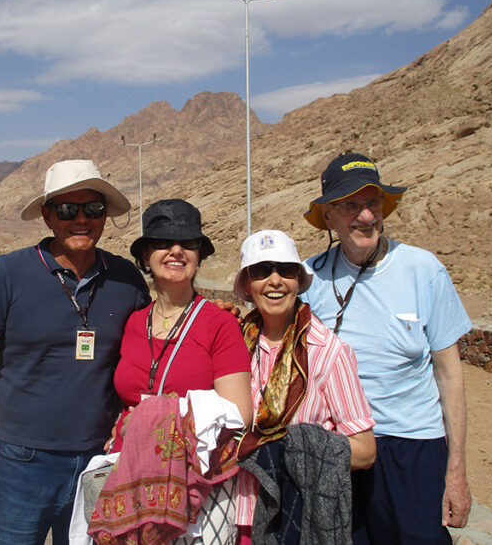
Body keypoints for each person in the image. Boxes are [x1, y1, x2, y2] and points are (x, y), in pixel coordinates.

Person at [0, 160, 150, 544]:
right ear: (47, 215)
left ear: (104, 215)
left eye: (93, 208)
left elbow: (157, 340)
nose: (81, 219)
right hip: (21, 466)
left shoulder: (126, 280)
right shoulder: (6, 275)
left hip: (101, 462)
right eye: (67, 209)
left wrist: (216, 316)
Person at [300, 152, 472, 544]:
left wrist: (457, 471)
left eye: (372, 203)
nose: (365, 216)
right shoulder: (308, 278)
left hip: (413, 447)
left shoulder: (423, 270)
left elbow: (450, 374)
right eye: (350, 205)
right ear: (328, 216)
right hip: (340, 446)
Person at [105, 198, 253, 544]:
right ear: (146, 257)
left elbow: (238, 414)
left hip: (196, 485)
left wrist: (149, 419)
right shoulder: (133, 322)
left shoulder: (219, 324)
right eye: (162, 242)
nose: (176, 250)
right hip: (130, 476)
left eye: (188, 243)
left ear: (199, 256)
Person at [231, 229, 376, 544]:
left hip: (295, 515)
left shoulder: (328, 352)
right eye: (261, 271)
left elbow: (365, 450)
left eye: (285, 270)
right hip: (236, 511)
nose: (275, 280)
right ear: (247, 285)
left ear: (298, 280)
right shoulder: (233, 343)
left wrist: (292, 447)